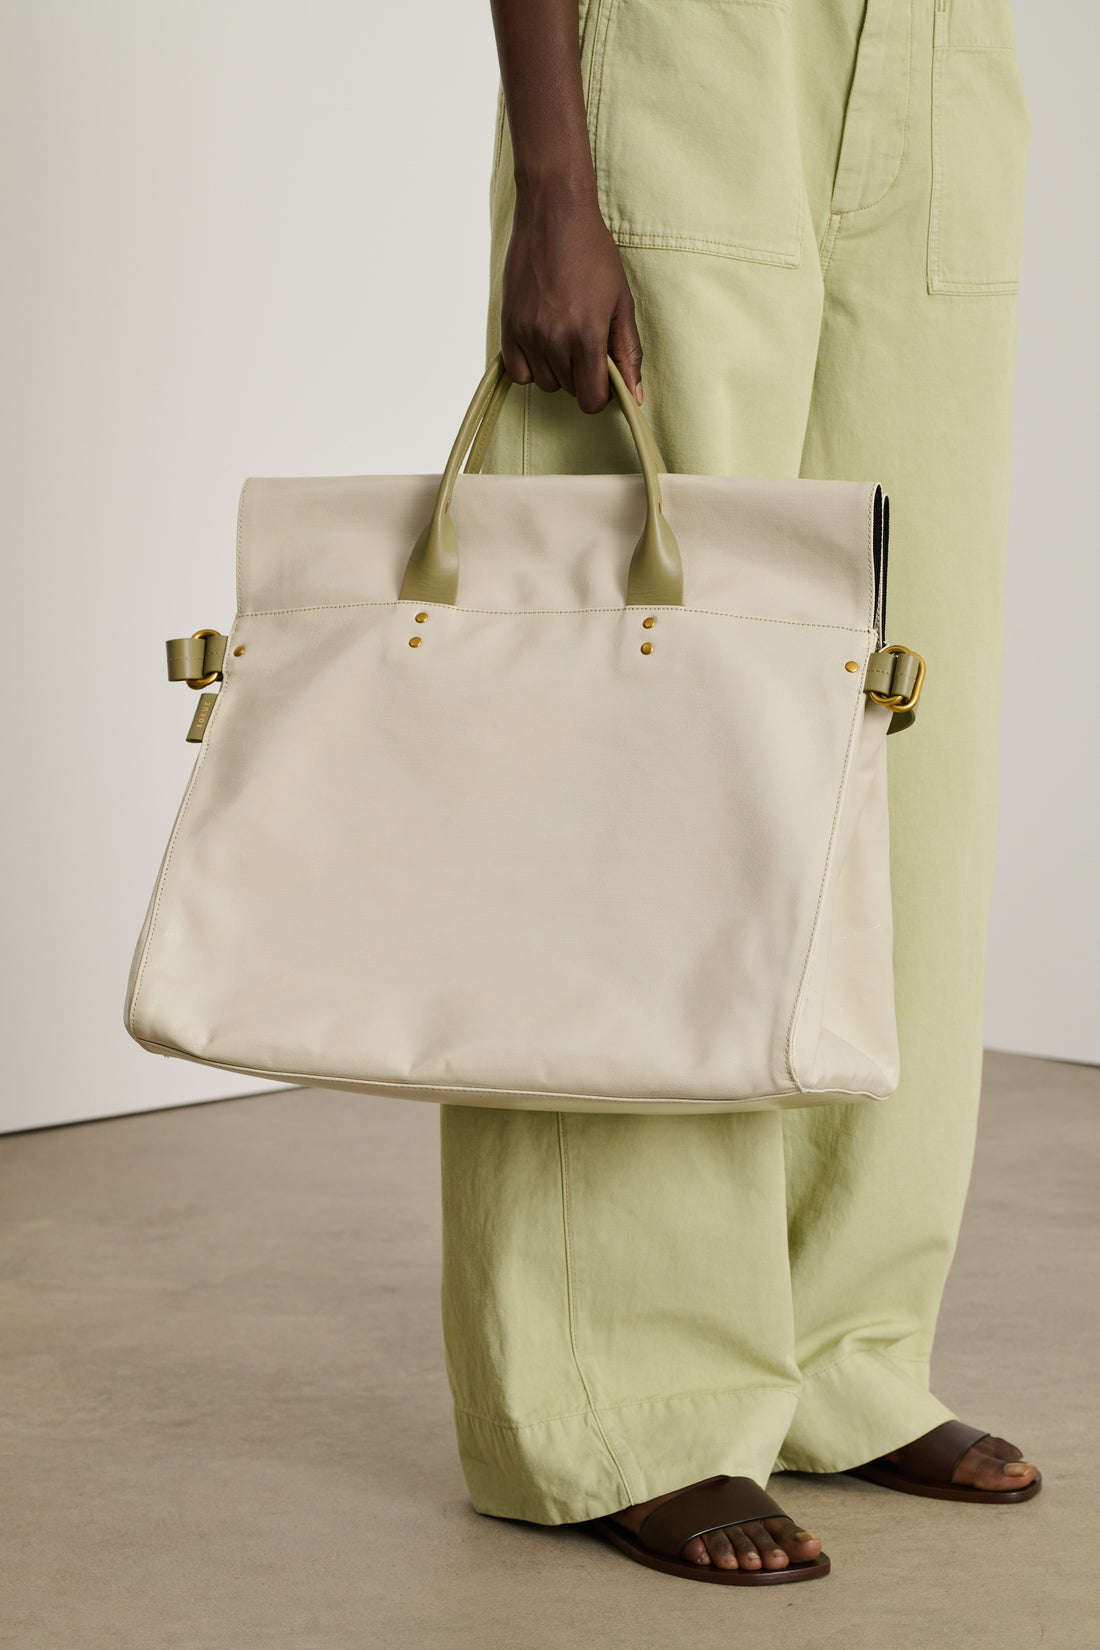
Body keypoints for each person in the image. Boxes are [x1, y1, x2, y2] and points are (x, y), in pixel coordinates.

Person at [438, 0, 1039, 1584]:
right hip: (686, 56)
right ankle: (619, 1390)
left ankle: (844, 1342)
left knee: (905, 721)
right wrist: (555, 179)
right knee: (648, 748)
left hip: (939, 57)